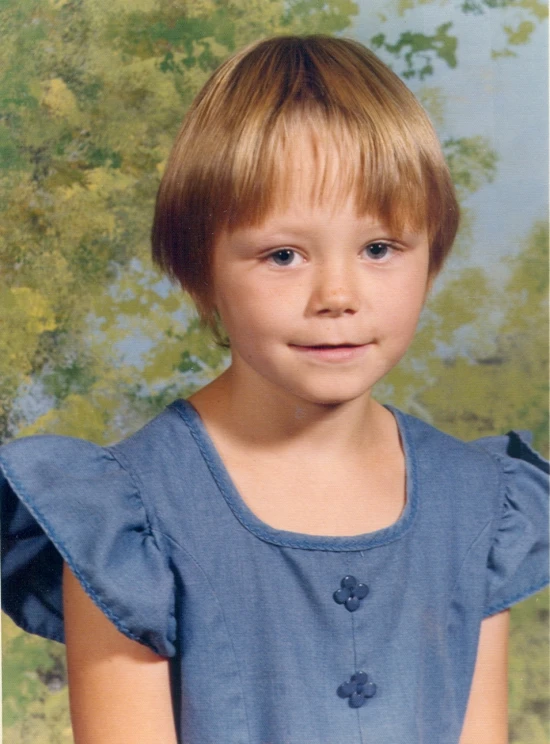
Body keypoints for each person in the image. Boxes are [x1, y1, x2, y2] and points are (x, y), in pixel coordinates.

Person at [1, 35, 548, 744]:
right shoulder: (124, 521)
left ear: (433, 257)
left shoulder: (480, 501)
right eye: (283, 254)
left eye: (379, 248)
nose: (338, 295)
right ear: (202, 271)